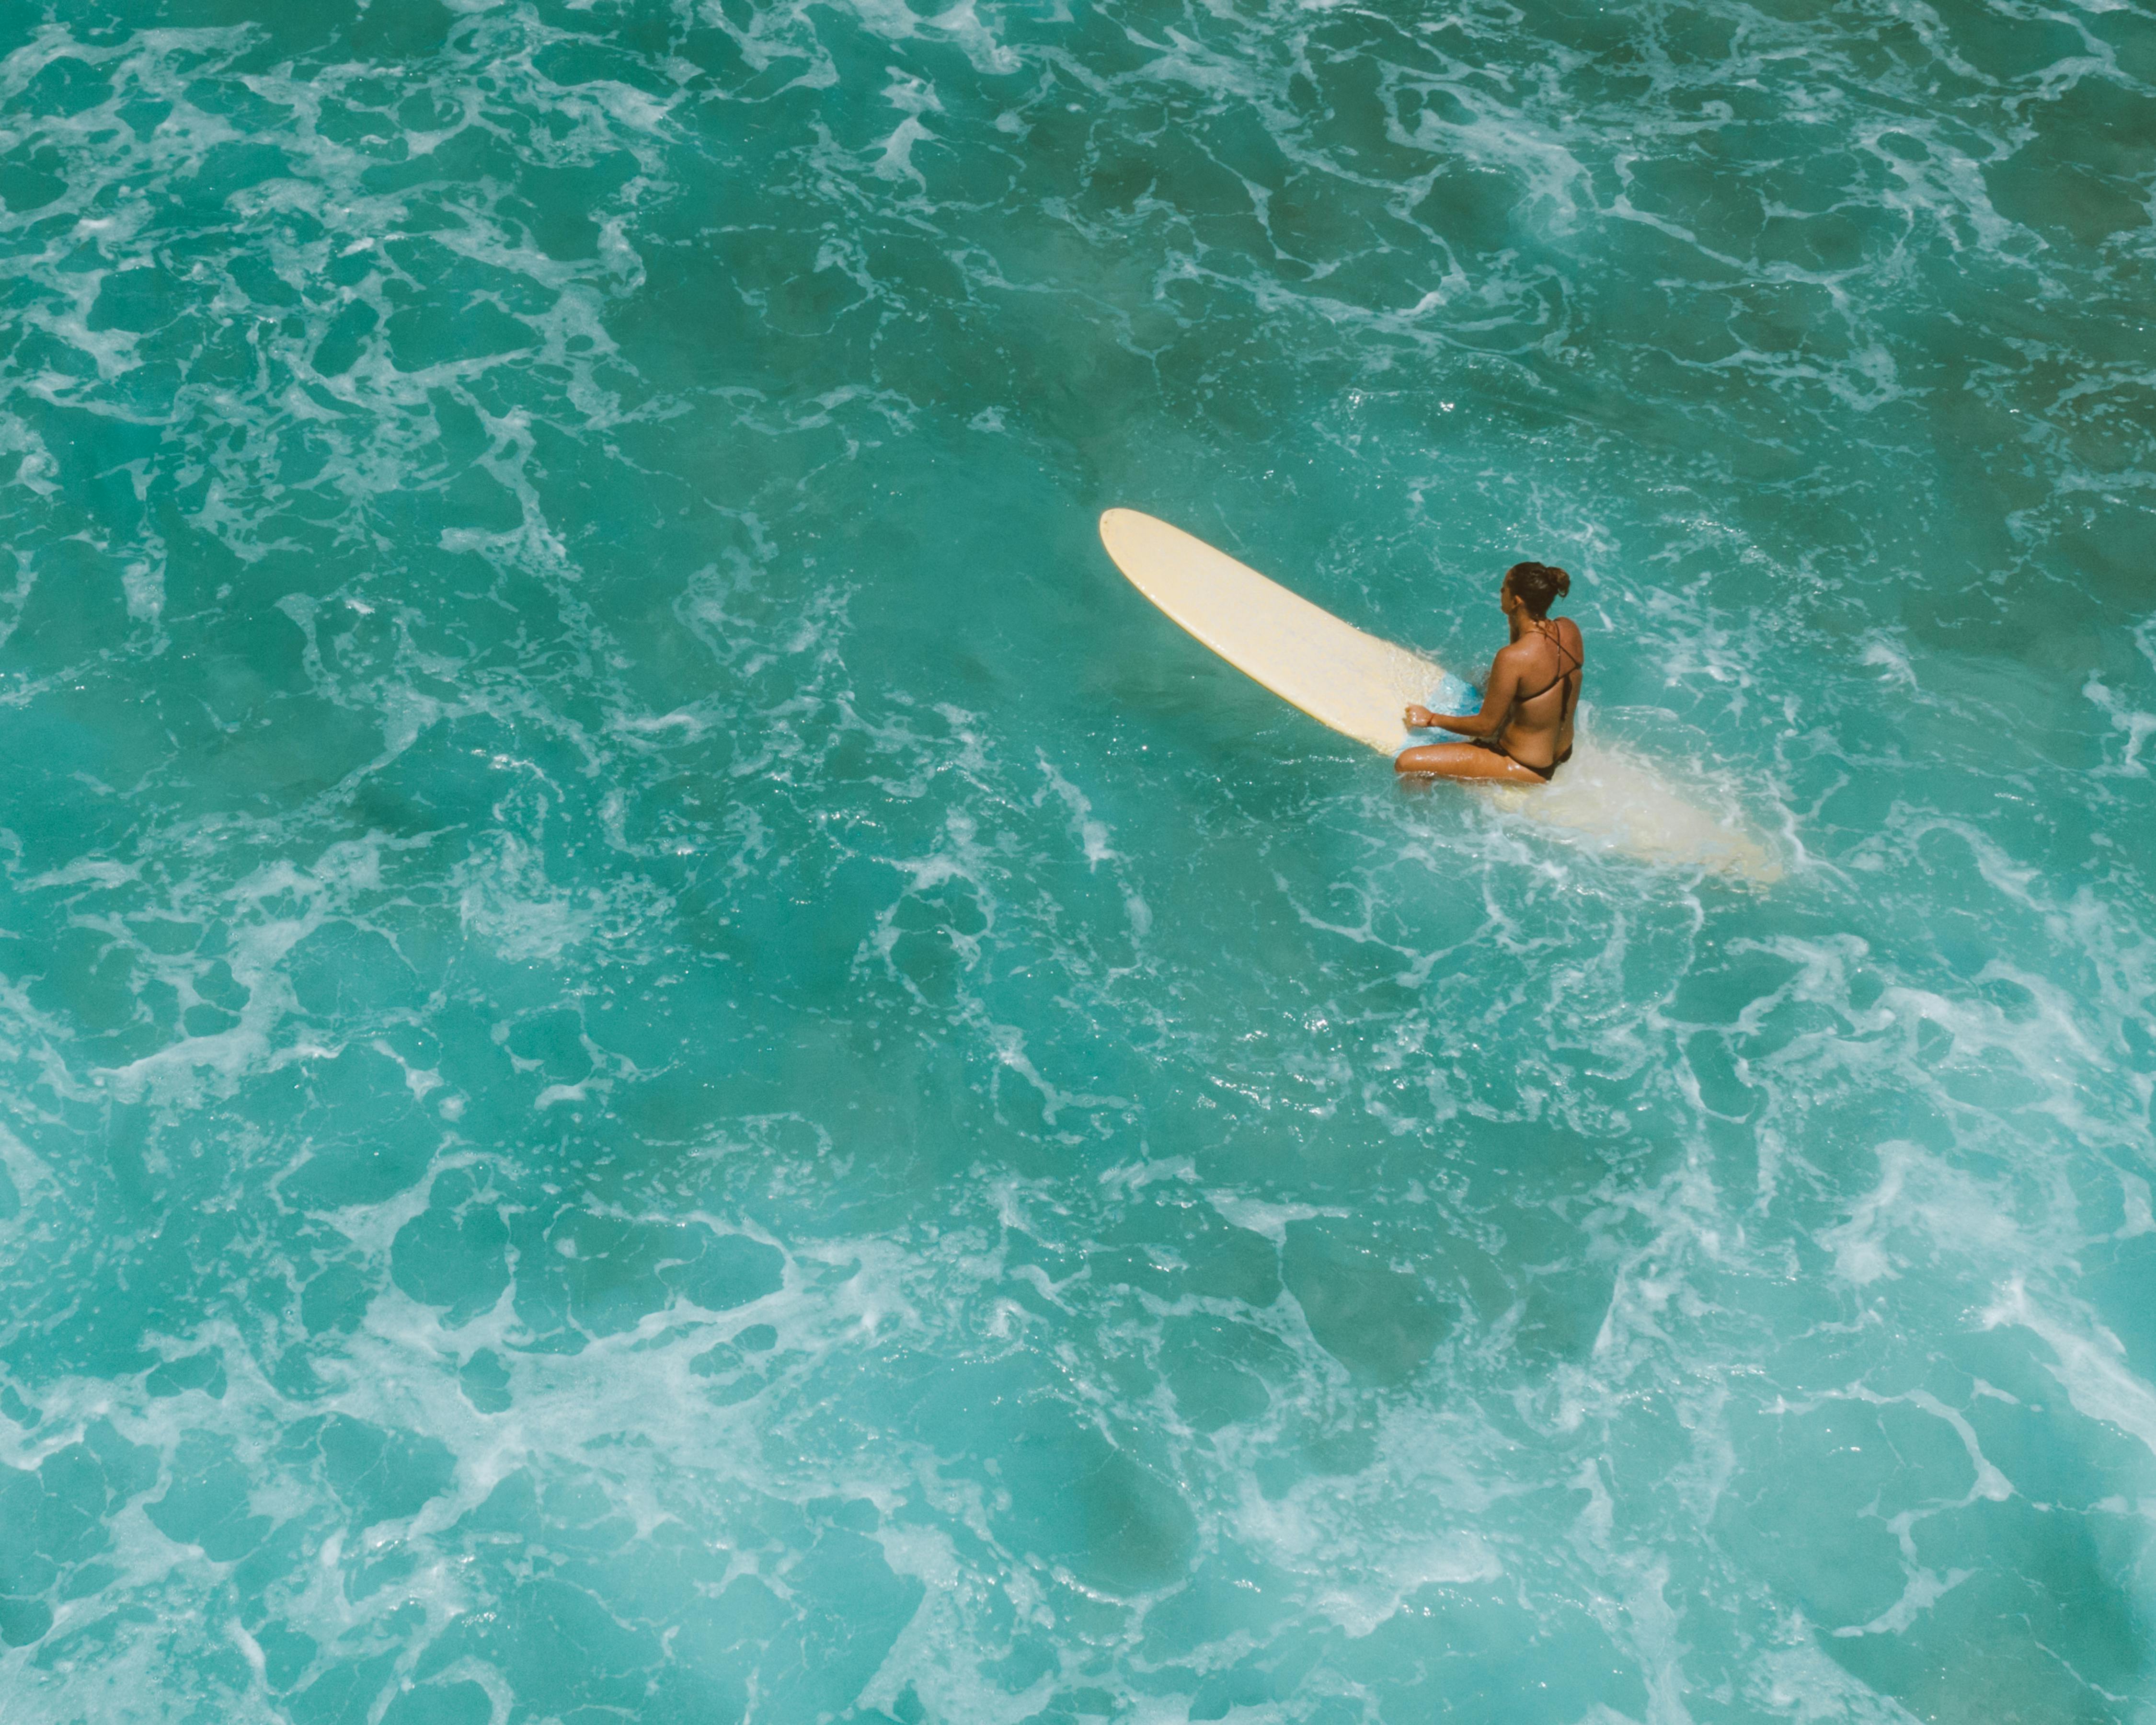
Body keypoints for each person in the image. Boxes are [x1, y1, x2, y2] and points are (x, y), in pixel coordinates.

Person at [1395, 562, 1582, 782]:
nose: (1500, 592)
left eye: (1504, 589)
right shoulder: (1569, 628)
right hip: (1561, 750)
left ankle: (1421, 812)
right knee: (1484, 677)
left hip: (1523, 764)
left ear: (1516, 601)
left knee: (1407, 763)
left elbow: (1485, 727)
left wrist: (1432, 719)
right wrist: (1516, 619)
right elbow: (1533, 664)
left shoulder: (1512, 658)